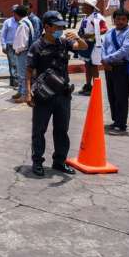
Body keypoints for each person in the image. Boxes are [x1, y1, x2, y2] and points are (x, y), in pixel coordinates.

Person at [26, 11, 86, 176]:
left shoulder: (64, 42)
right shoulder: (36, 46)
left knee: (62, 130)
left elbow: (83, 47)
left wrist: (77, 38)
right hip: (43, 96)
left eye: (62, 26)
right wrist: (28, 93)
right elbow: (29, 70)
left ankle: (59, 162)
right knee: (39, 130)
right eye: (57, 26)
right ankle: (37, 161)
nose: (60, 29)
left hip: (63, 95)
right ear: (47, 27)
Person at [102, 9, 129, 133]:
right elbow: (103, 47)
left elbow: (124, 51)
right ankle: (115, 120)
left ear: (128, 20)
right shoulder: (109, 32)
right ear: (114, 19)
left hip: (122, 67)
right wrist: (104, 60)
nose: (120, 21)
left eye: (123, 19)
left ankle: (121, 123)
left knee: (121, 96)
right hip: (109, 68)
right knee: (111, 95)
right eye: (118, 19)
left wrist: (106, 59)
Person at [77, 0, 107, 96]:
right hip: (86, 44)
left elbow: (104, 29)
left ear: (90, 7)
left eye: (85, 6)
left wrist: (92, 35)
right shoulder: (85, 17)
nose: (83, 7)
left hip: (95, 44)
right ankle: (88, 85)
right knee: (87, 65)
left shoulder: (97, 17)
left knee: (94, 66)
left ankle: (96, 87)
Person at [12, 5, 34, 103]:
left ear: (17, 14)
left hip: (23, 52)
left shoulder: (23, 25)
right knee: (23, 74)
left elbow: (22, 42)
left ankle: (25, 94)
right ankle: (21, 91)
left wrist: (17, 51)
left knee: (23, 74)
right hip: (26, 51)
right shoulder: (27, 22)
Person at [0, 7, 19, 88]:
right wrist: (3, 45)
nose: (15, 13)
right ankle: (15, 82)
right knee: (13, 64)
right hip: (10, 45)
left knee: (18, 64)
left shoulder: (22, 22)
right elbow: (3, 34)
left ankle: (14, 81)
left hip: (19, 46)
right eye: (14, 12)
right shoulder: (8, 22)